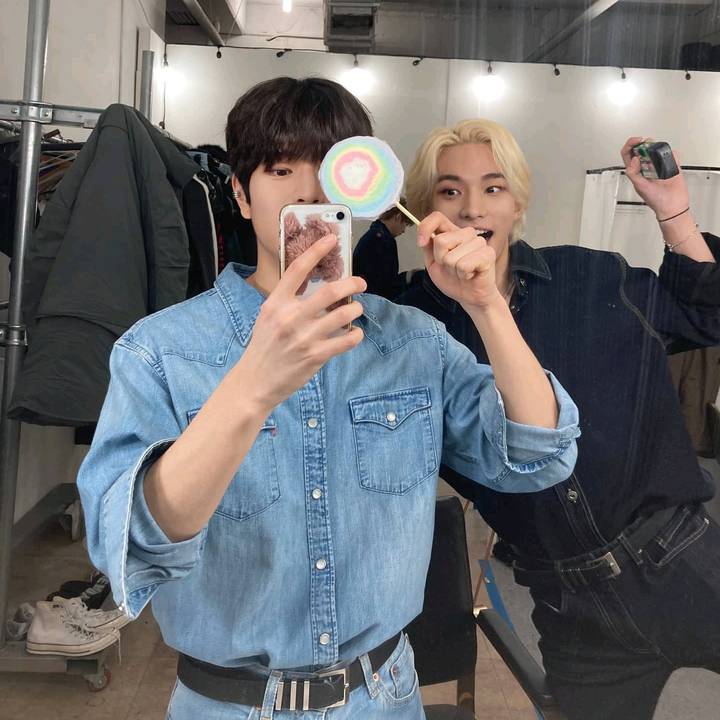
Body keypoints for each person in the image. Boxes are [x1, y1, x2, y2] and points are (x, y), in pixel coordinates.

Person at [77, 81, 580, 720]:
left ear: (363, 190)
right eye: (280, 169)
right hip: (227, 705)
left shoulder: (413, 342)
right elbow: (130, 545)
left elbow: (539, 454)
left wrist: (487, 306)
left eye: (330, 167)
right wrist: (252, 387)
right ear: (241, 194)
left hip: (386, 697)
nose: (309, 193)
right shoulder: (160, 351)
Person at [400, 119, 720, 720]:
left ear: (518, 204)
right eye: (449, 191)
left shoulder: (593, 276)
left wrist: (673, 211)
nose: (472, 208)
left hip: (681, 558)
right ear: (423, 211)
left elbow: (708, 315)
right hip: (569, 607)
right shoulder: (408, 324)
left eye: (493, 187)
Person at [352, 200, 414, 300]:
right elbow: (386, 284)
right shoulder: (384, 240)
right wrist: (408, 277)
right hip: (374, 301)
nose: (404, 231)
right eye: (405, 224)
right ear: (398, 217)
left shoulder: (373, 235)